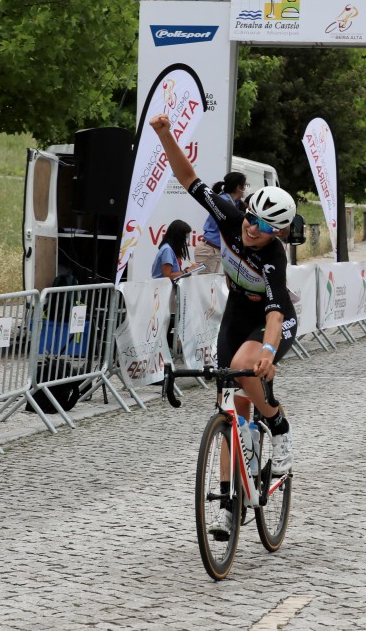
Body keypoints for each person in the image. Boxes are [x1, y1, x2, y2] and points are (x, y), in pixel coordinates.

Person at [150, 113, 298, 538]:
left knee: (247, 364)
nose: (253, 229)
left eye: (266, 227)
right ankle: (229, 505)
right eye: (252, 219)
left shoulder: (273, 259)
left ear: (280, 231)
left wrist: (269, 353)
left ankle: (279, 426)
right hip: (237, 313)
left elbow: (273, 313)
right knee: (229, 407)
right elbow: (190, 177)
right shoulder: (233, 218)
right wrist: (165, 135)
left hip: (273, 321)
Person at [198, 172, 247, 274]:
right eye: (244, 185)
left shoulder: (234, 202)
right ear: (238, 187)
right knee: (205, 286)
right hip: (209, 251)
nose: (245, 189)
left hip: (215, 250)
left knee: (210, 286)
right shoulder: (224, 201)